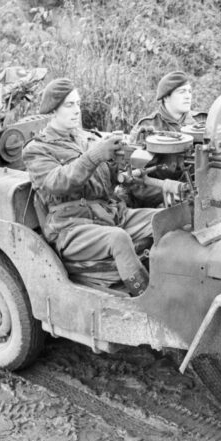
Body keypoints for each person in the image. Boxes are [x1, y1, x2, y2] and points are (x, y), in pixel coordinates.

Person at [22, 79, 157, 296]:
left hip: (108, 214)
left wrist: (123, 166)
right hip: (71, 227)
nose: (77, 110)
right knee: (118, 239)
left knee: (163, 220)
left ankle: (167, 285)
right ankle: (145, 298)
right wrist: (95, 156)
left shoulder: (87, 138)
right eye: (69, 105)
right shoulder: (37, 149)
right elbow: (58, 182)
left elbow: (106, 180)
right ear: (53, 111)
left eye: (78, 103)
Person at [130, 70, 206, 142]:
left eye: (189, 91)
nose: (188, 96)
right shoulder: (147, 125)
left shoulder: (202, 120)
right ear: (166, 97)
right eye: (182, 92)